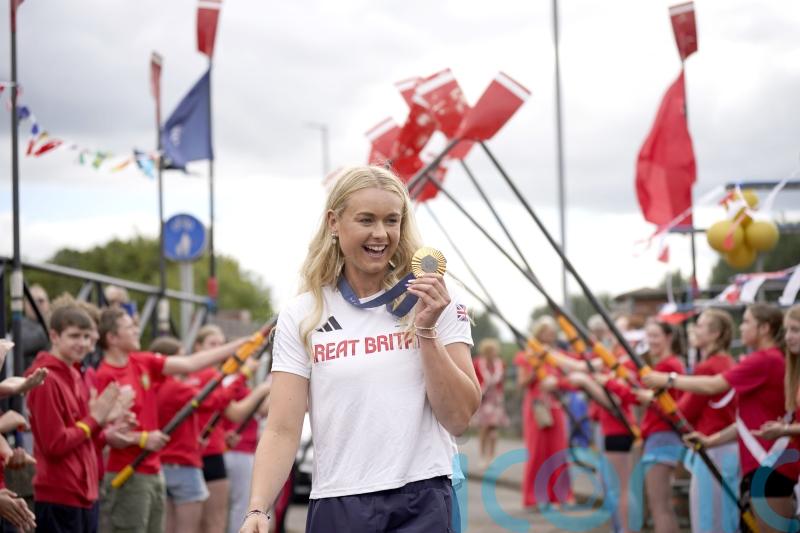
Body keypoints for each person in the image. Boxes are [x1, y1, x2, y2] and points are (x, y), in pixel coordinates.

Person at [241, 166, 479, 533]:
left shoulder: (433, 298)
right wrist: (258, 509)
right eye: (366, 220)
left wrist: (427, 330)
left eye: (391, 220)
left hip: (423, 495)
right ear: (334, 222)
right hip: (339, 499)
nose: (381, 234)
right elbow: (282, 429)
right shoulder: (303, 314)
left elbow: (460, 418)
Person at [643, 303, 798, 533]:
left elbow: (705, 392)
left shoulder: (763, 360)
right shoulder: (759, 360)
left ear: (764, 328)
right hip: (752, 459)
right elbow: (749, 423)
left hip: (766, 461)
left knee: (710, 522)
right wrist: (711, 440)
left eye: (746, 322)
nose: (741, 327)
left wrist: (666, 381)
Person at [95, 308, 248, 533]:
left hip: (154, 471)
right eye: (130, 327)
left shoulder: (141, 361)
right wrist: (142, 438)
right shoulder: (104, 375)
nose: (137, 330)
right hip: (127, 472)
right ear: (112, 338)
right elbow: (101, 432)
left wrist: (243, 345)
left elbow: (190, 364)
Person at [25, 304, 132, 533]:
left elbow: (83, 434)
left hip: (84, 492)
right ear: (54, 335)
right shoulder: (44, 378)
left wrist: (104, 423)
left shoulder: (73, 373)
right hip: (59, 494)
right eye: (74, 336)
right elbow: (54, 444)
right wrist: (96, 418)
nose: (82, 343)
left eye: (86, 336)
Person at [678, 309, 739, 533]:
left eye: (701, 325)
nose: (695, 329)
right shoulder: (729, 362)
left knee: (709, 519)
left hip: (712, 447)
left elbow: (684, 411)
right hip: (730, 446)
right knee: (727, 517)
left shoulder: (708, 367)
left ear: (715, 334)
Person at [630, 320, 685, 533]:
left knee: (659, 506)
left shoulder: (667, 366)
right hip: (659, 435)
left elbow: (675, 407)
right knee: (661, 505)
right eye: (648, 336)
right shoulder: (667, 365)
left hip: (662, 435)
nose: (651, 341)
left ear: (668, 338)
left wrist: (647, 398)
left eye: (656, 336)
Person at [514, 316, 573, 509]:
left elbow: (566, 377)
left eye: (551, 332)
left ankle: (561, 495)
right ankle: (536, 497)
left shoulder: (557, 354)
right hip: (537, 407)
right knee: (538, 451)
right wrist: (537, 365)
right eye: (545, 332)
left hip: (555, 406)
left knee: (558, 450)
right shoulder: (528, 355)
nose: (549, 336)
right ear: (539, 333)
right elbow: (522, 383)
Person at [473, 337, 509, 468]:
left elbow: (502, 382)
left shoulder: (500, 364)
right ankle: (482, 456)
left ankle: (491, 456)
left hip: (495, 399)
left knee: (493, 429)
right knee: (484, 428)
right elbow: (475, 378)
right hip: (483, 398)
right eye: (490, 351)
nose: (493, 353)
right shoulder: (477, 363)